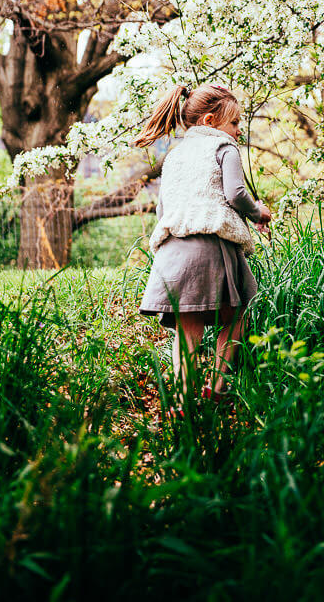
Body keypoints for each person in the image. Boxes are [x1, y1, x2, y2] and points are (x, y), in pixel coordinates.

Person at [135, 83, 271, 407]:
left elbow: (162, 210)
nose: (238, 131)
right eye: (235, 123)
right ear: (210, 121)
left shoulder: (174, 156)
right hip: (210, 247)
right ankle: (218, 385)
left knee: (188, 334)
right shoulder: (223, 148)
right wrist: (258, 212)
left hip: (172, 253)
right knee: (239, 313)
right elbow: (236, 194)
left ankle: (183, 404)